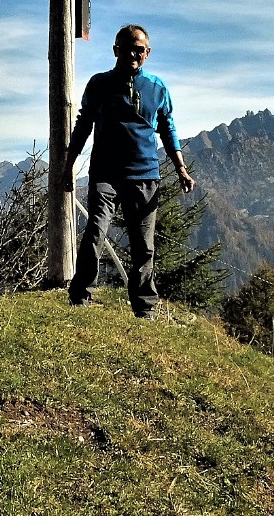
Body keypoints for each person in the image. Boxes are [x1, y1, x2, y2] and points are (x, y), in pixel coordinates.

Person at [62, 24, 195, 318]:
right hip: (105, 174)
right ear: (115, 51)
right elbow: (83, 126)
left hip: (145, 176)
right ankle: (80, 297)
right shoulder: (99, 85)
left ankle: (144, 308)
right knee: (95, 232)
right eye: (127, 48)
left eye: (139, 49)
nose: (133, 54)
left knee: (143, 246)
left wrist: (181, 169)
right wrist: (68, 168)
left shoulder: (158, 88)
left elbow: (167, 130)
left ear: (147, 53)